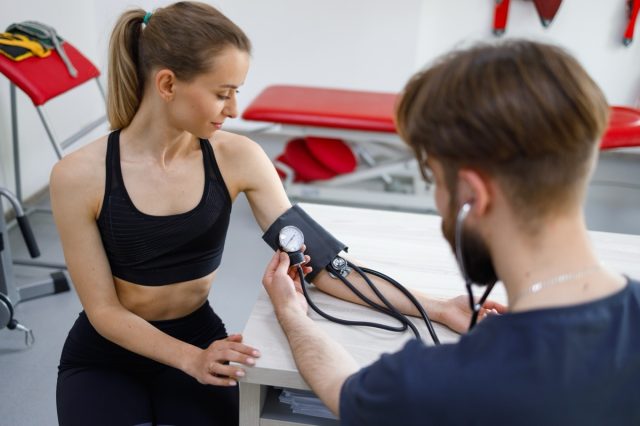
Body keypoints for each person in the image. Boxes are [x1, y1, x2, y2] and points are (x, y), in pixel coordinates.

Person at [50, 2, 499, 425]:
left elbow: (323, 267)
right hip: (107, 356)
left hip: (200, 337)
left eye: (237, 93)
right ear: (167, 84)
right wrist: (190, 359)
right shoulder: (79, 176)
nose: (235, 110)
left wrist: (440, 308)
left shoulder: (238, 158)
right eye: (222, 93)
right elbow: (104, 311)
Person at [262, 39, 640, 425]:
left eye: (437, 181)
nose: (439, 200)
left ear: (473, 197)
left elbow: (343, 389)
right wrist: (440, 307)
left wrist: (292, 315)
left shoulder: (432, 384)